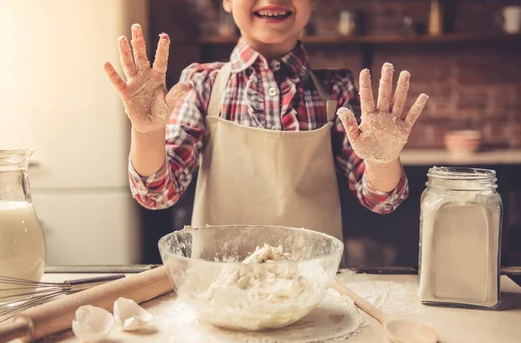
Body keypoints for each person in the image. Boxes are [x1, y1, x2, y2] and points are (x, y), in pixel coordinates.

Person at [103, 0, 428, 240]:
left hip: (313, 281)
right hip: (221, 279)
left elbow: (381, 200)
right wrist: (147, 131)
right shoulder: (201, 83)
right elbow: (158, 194)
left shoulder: (337, 89)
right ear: (227, 2)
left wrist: (382, 160)